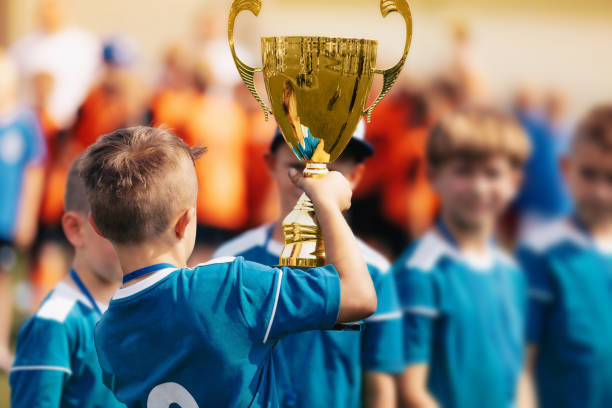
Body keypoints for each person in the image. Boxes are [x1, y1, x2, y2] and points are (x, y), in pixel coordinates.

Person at [79, 126, 376, 407]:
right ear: (185, 221)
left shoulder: (106, 335)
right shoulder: (227, 287)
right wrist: (327, 203)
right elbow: (358, 295)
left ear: (97, 226)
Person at [213, 121, 404, 407]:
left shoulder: (374, 271)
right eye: (299, 166)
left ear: (355, 176)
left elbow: (380, 388)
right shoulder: (231, 261)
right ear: (271, 163)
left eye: (329, 172)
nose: (313, 183)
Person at [393, 107, 531, 408]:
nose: (479, 187)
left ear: (515, 182)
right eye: (464, 171)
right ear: (433, 176)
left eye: (492, 173)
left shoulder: (512, 273)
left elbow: (518, 373)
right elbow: (409, 391)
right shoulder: (420, 273)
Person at [517, 105, 612, 408]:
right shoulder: (541, 252)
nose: (600, 191)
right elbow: (521, 363)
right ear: (565, 168)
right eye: (589, 174)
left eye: (611, 178)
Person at [10, 156, 124, 407]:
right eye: (113, 226)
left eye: (137, 223)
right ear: (75, 228)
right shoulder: (55, 323)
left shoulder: (137, 310)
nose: (128, 239)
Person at [0, 51, 46, 372]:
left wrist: (26, 216)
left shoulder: (24, 122)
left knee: (2, 281)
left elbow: (34, 170)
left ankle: (1, 344)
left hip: (5, 218)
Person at [9, 0, 100, 130]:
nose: (49, 12)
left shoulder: (85, 45)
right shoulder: (22, 48)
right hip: (34, 128)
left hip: (73, 128)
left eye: (54, 6)